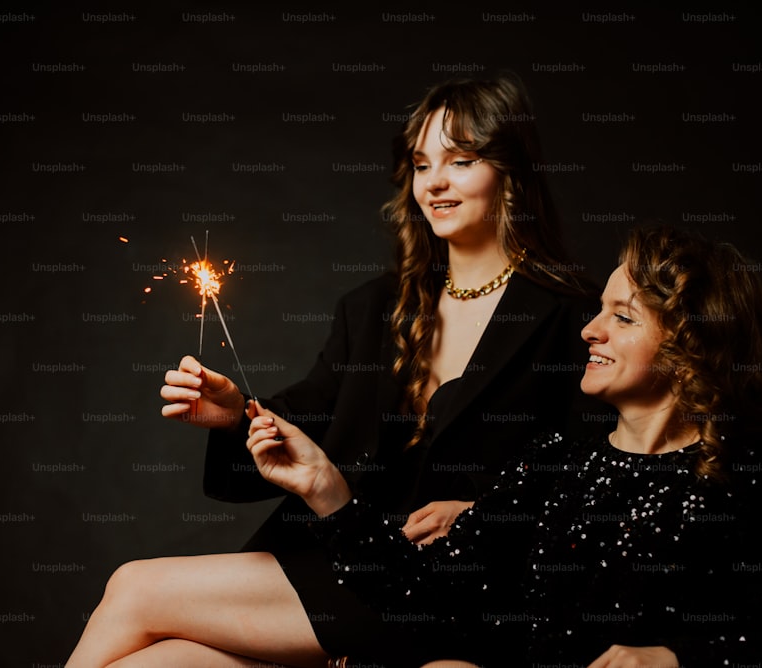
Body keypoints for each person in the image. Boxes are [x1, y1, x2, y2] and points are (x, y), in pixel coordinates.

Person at [66, 73, 601, 667]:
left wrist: (485, 514)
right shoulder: (372, 308)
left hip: (446, 590)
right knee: (147, 664)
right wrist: (231, 415)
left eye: (462, 160)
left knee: (135, 587)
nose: (436, 184)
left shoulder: (575, 318)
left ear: (512, 170)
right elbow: (305, 425)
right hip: (338, 558)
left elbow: (596, 470)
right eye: (422, 166)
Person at [246, 225, 762, 666]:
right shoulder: (558, 461)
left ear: (691, 341)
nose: (590, 329)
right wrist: (327, 490)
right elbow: (426, 595)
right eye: (598, 310)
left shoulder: (755, 471)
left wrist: (675, 657)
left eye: (623, 317)